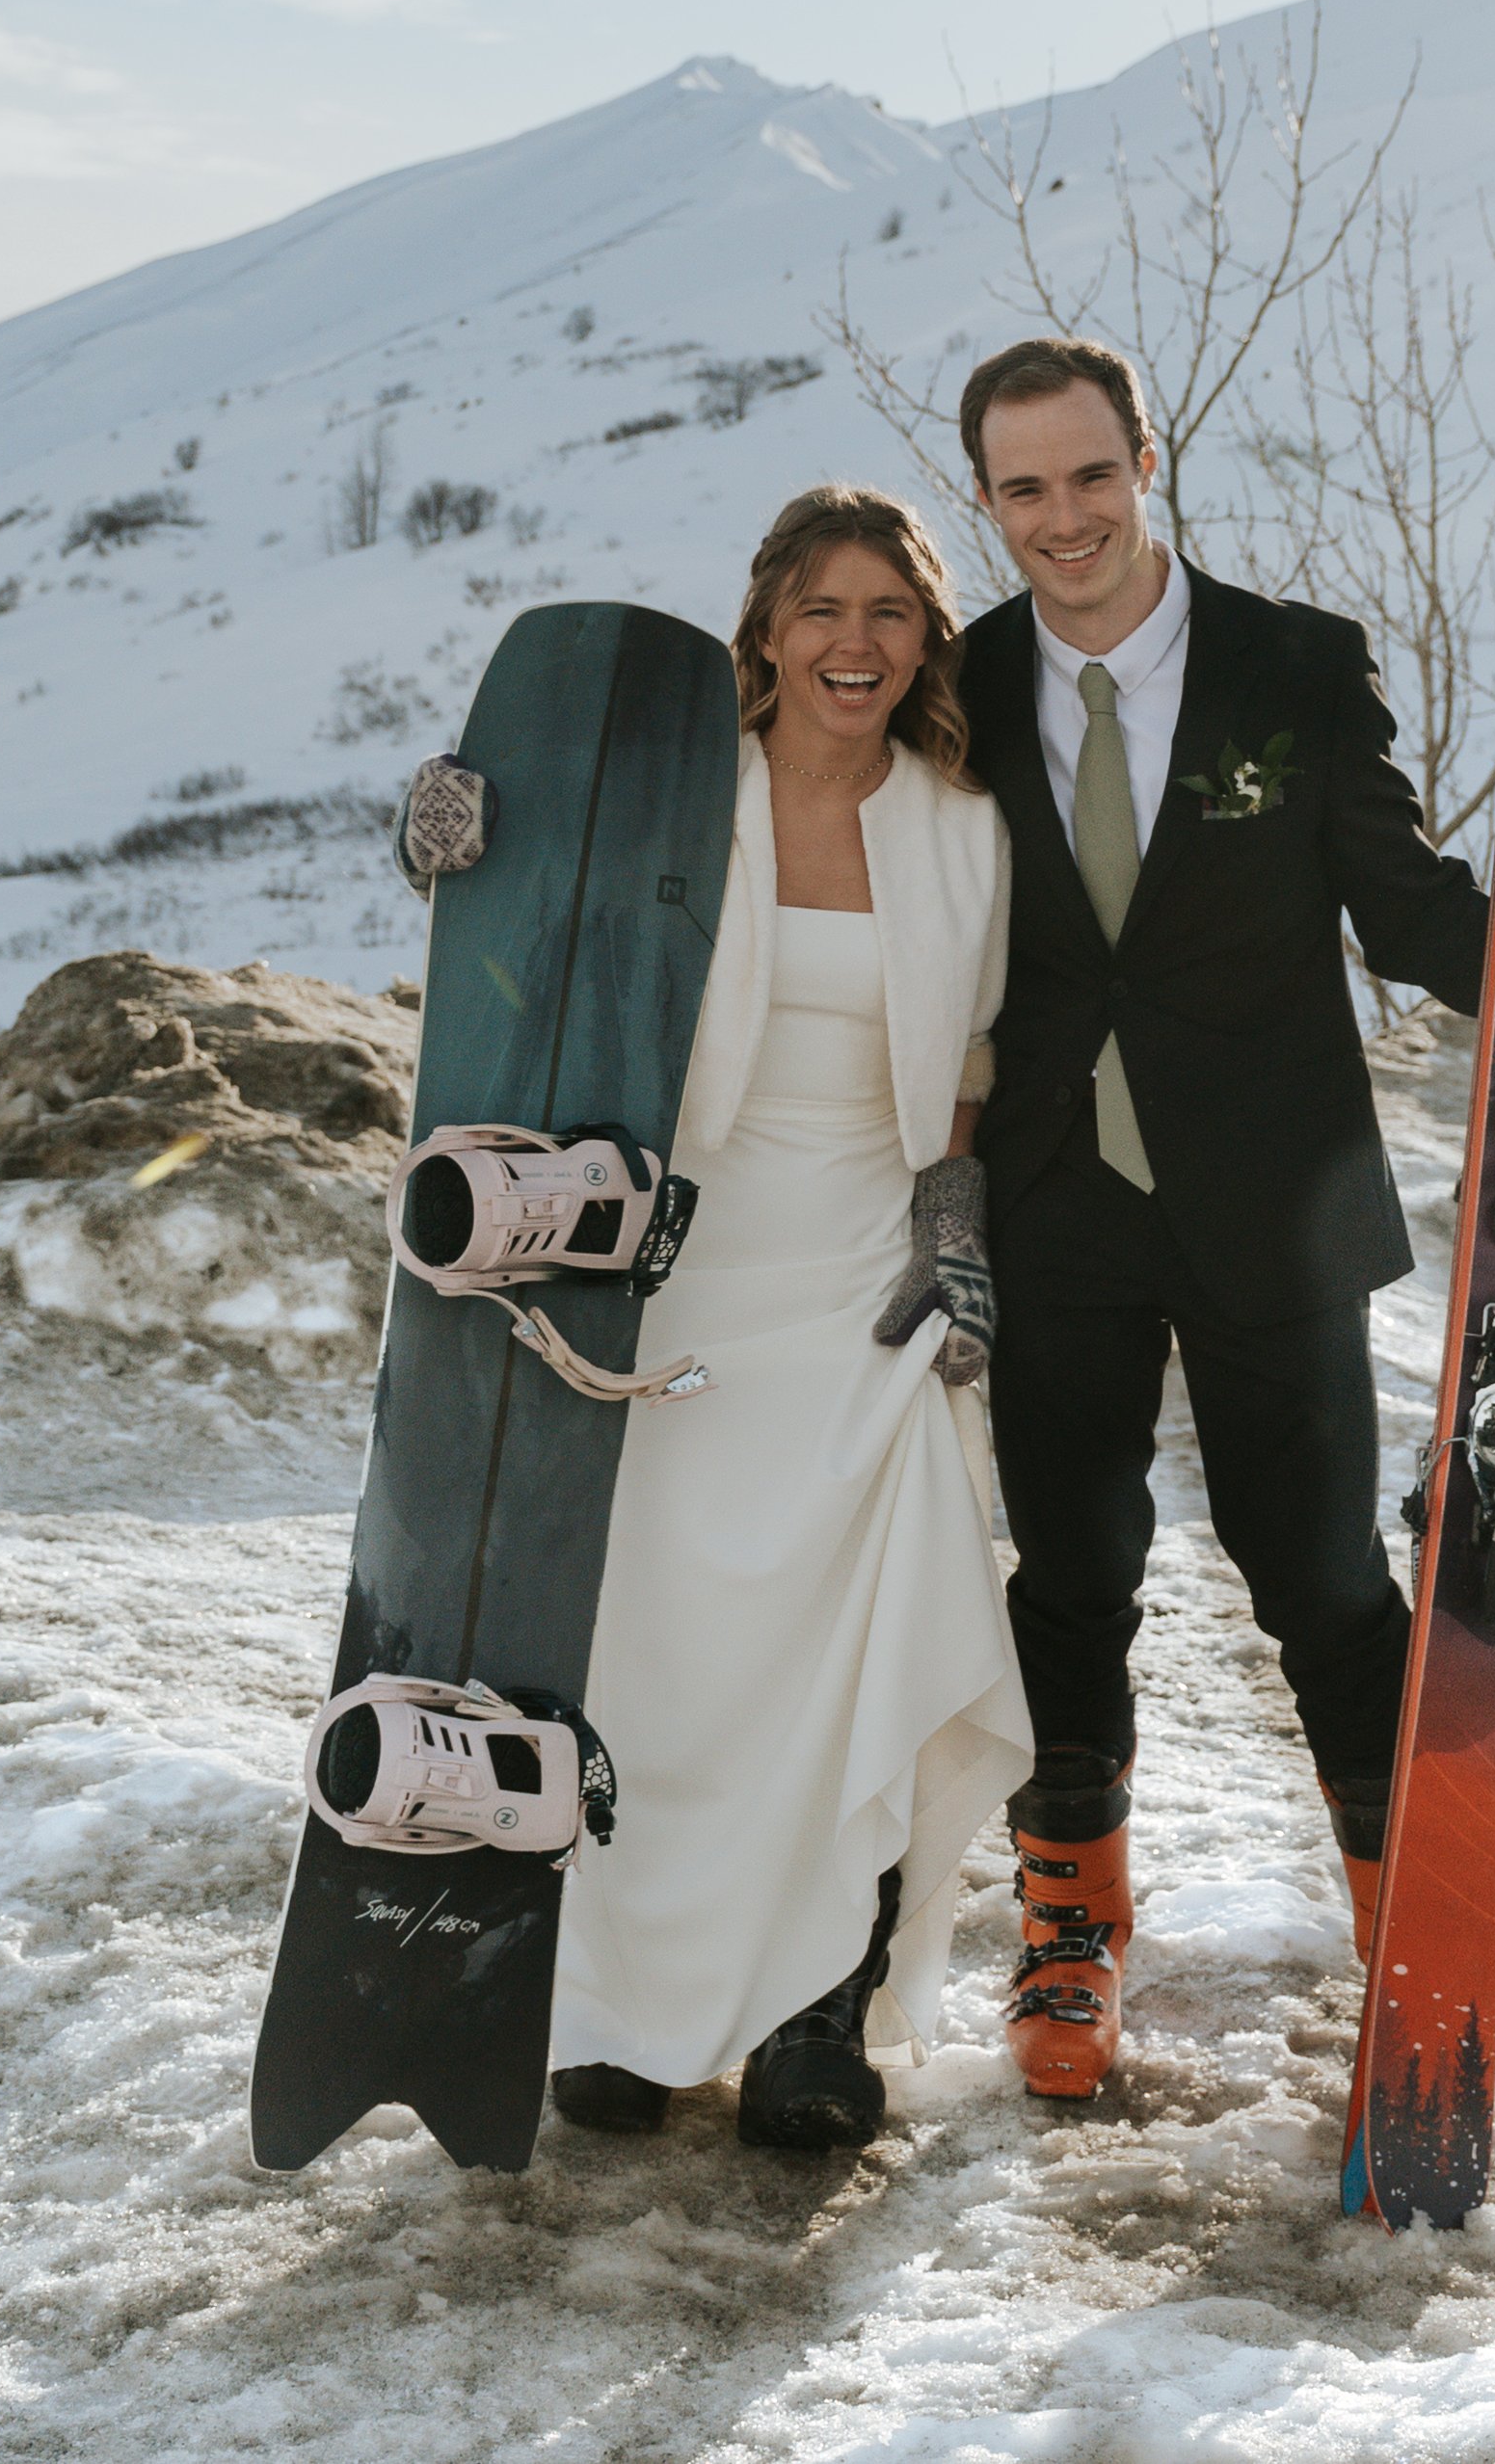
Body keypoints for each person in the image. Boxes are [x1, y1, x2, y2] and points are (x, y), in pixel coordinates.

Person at [950, 334, 1495, 2098]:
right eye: (1025, 489)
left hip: (1269, 1196)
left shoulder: (1291, 661)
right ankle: (1069, 1927)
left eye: (1092, 475)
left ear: (1146, 458)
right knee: (1072, 1576)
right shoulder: (950, 685)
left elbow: (1406, 904)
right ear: (986, 500)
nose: (1067, 519)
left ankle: (1397, 1927)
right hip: (1058, 1201)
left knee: (1322, 1572)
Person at [393, 486, 1029, 2152]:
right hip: (671, 1256)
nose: (854, 642)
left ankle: (822, 2013)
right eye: (821, 608)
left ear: (926, 637)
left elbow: (973, 1061)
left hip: (863, 1267)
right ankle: (626, 2015)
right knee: (657, 1647)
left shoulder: (965, 822)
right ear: (763, 626)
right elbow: (520, 924)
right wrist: (447, 834)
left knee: (854, 1632)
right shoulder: (685, 796)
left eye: (889, 610)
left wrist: (951, 1226)